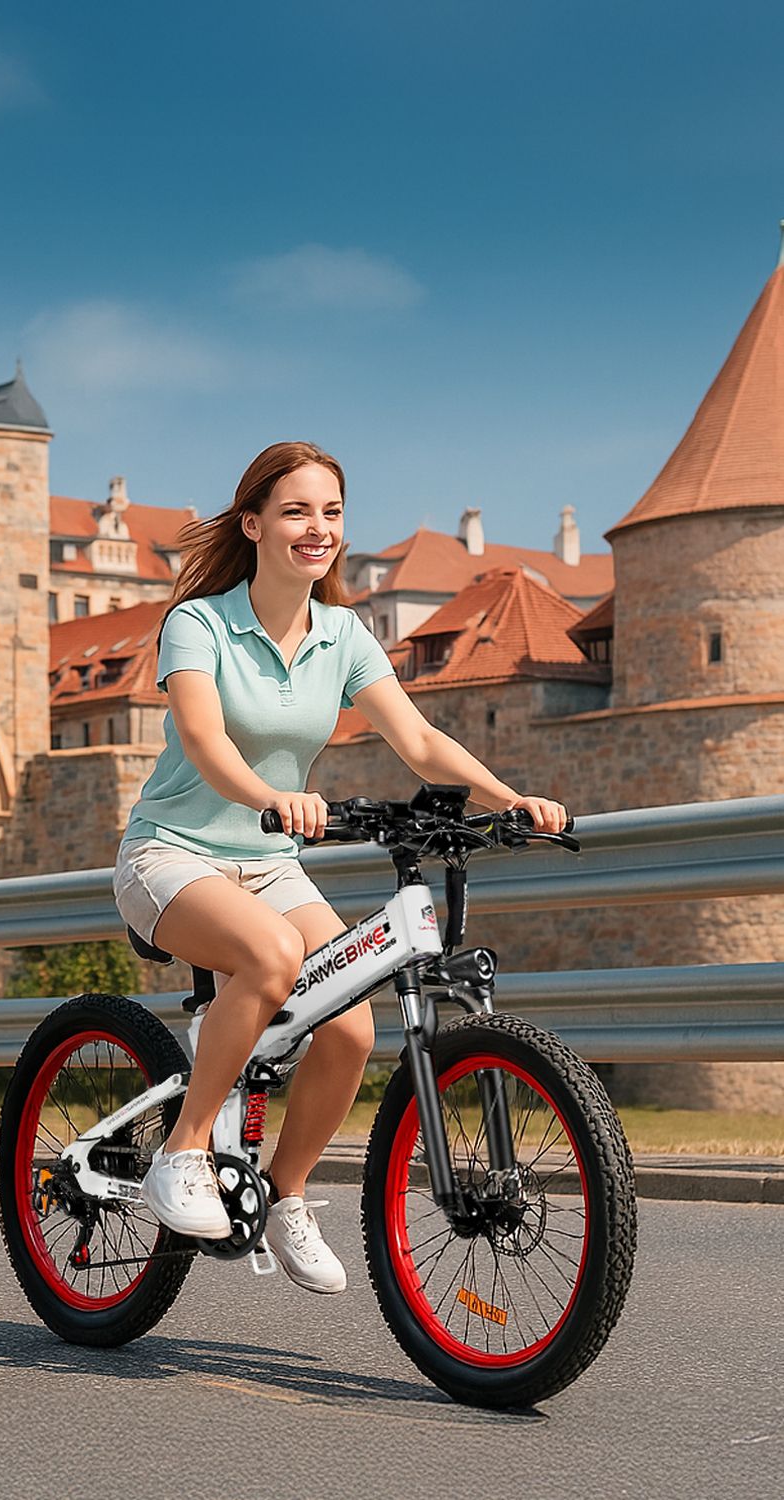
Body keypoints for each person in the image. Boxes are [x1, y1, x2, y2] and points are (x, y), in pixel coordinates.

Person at [113, 441, 566, 1292]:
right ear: (253, 525)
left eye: (330, 513)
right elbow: (206, 744)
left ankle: (280, 1197)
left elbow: (422, 741)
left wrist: (512, 797)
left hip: (270, 865)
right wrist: (270, 797)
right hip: (169, 856)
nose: (316, 529)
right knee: (273, 958)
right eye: (295, 512)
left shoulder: (344, 634)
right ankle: (180, 1153)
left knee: (352, 1021)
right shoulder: (199, 623)